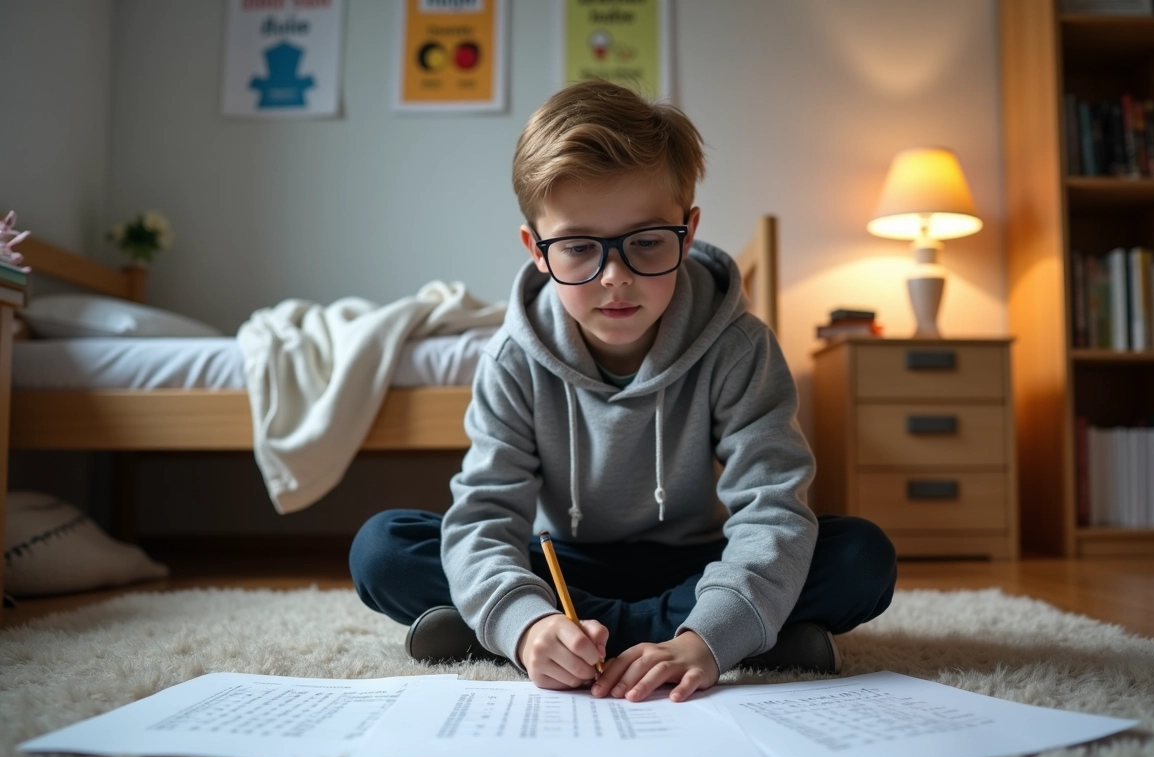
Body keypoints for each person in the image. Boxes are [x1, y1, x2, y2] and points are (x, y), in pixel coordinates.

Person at [350, 79, 896, 703]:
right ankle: (749, 637)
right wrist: (530, 625)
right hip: (564, 566)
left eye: (645, 243)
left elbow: (771, 505)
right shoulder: (510, 359)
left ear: (687, 233)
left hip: (694, 563)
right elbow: (486, 514)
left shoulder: (740, 347)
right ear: (537, 250)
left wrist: (708, 631)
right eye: (579, 248)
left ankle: (644, 639)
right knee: (384, 549)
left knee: (860, 556)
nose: (615, 278)